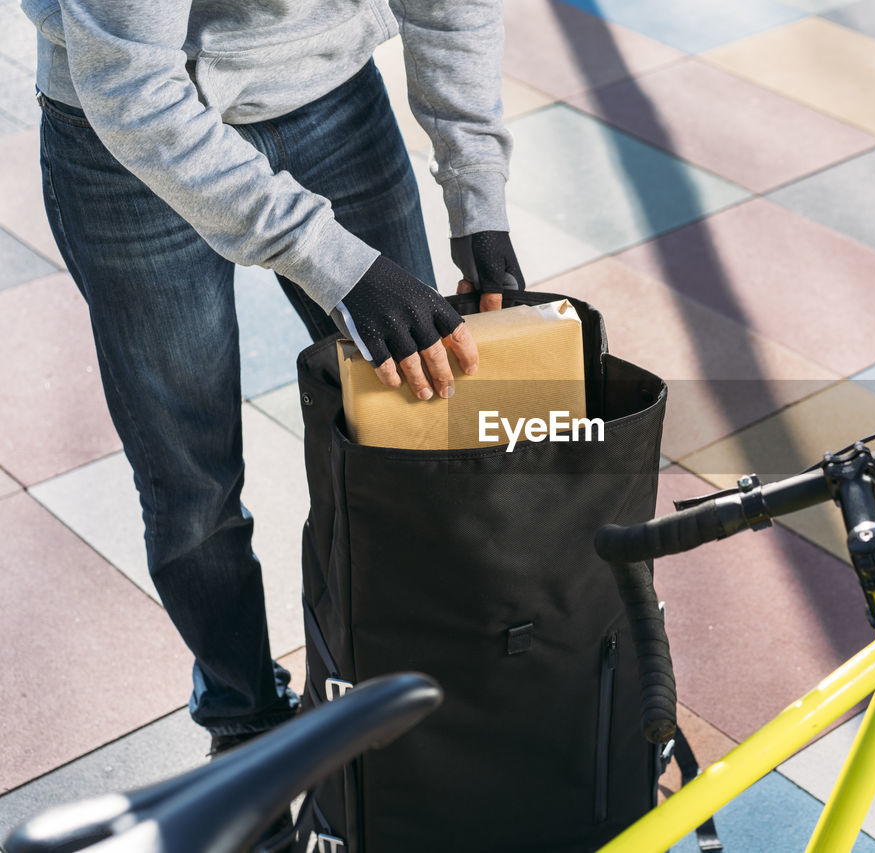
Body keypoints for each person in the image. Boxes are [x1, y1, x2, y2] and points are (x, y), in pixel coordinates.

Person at [24, 0, 525, 755]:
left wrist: (478, 196)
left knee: (420, 428)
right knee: (191, 483)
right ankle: (244, 723)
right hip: (125, 137)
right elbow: (131, 87)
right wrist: (339, 268)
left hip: (330, 97)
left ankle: (404, 702)